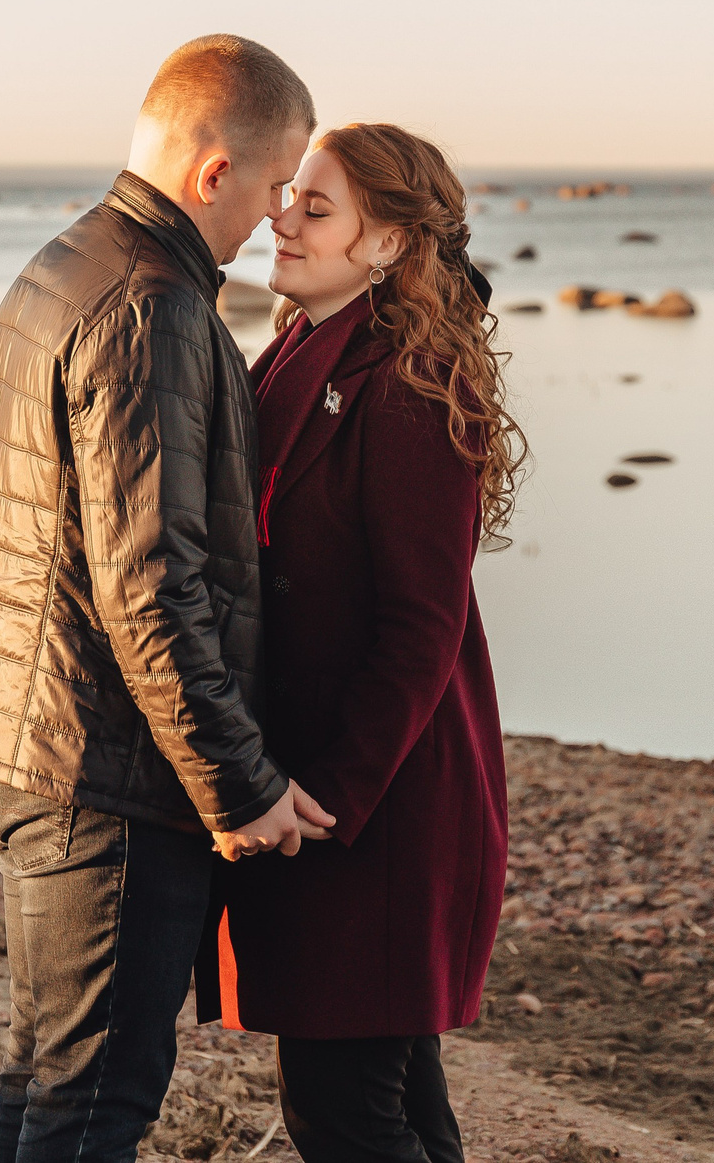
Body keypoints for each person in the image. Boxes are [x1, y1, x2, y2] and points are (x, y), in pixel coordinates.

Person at [0, 34, 337, 1163]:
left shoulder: (73, 262)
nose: (275, 216)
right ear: (214, 171)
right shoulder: (151, 306)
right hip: (98, 771)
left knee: (50, 1077)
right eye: (274, 186)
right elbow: (150, 587)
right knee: (95, 1097)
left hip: (33, 742)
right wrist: (240, 785)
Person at [203, 122, 521, 1163]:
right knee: (394, 1100)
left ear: (387, 244)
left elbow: (422, 627)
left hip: (379, 800)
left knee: (342, 1111)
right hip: (321, 783)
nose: (282, 219)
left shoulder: (414, 383)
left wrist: (328, 797)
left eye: (317, 206)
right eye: (289, 196)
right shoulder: (300, 348)